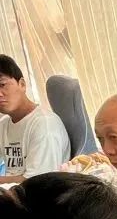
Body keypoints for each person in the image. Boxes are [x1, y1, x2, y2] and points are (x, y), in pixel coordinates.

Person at [0, 55, 69, 183]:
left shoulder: (44, 124)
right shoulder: (3, 124)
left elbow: (38, 182)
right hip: (14, 192)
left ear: (22, 84)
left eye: (2, 85)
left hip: (39, 193)